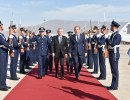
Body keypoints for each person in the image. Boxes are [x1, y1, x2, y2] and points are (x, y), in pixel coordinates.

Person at [106, 20, 121, 90]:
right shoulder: (113, 34)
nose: (111, 27)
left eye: (111, 26)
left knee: (115, 70)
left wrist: (107, 40)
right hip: (111, 54)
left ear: (114, 27)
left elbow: (112, 43)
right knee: (113, 70)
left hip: (114, 54)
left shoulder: (118, 35)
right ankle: (113, 85)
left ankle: (114, 86)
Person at [0, 21, 14, 91]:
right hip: (1, 53)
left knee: (4, 69)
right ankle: (2, 85)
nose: (3, 26)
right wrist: (12, 48)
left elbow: (7, 42)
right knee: (2, 69)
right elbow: (5, 43)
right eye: (2, 25)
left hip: (4, 53)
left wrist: (10, 36)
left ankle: (3, 84)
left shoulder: (2, 34)